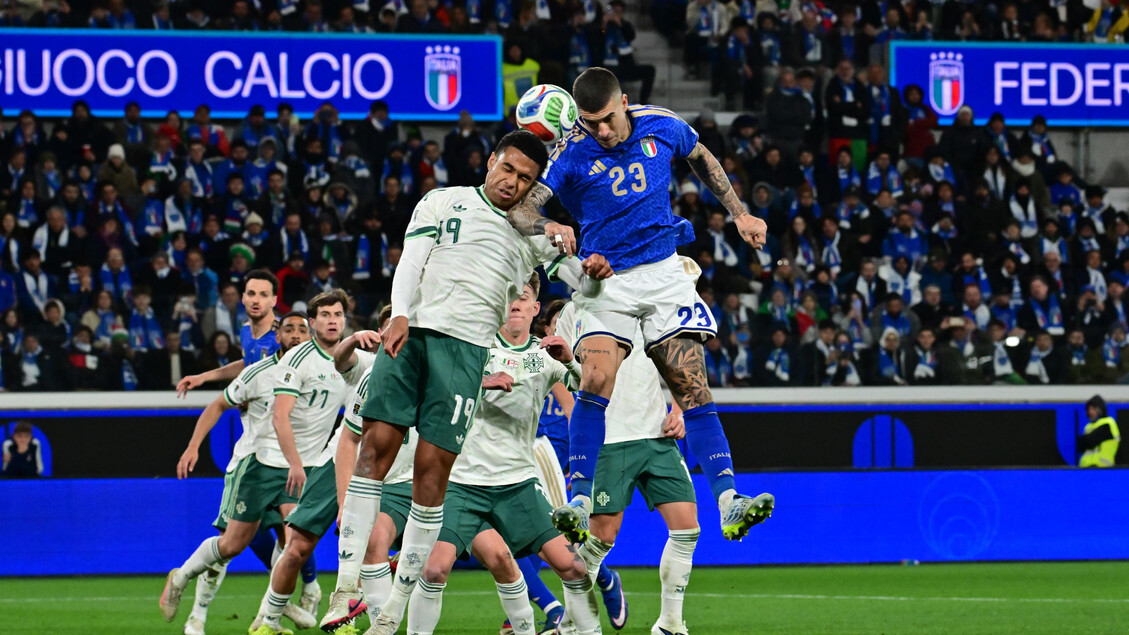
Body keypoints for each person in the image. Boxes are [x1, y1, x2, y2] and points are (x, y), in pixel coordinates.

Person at [323, 131, 612, 635]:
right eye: (508, 169)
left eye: (525, 179)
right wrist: (401, 312)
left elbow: (583, 286)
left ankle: (392, 612)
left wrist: (593, 270)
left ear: (534, 187)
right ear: (490, 162)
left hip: (465, 353)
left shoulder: (535, 235)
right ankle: (346, 587)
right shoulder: (442, 200)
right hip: (412, 335)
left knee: (431, 479)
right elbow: (411, 260)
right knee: (374, 451)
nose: (512, 182)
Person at [502, 68, 774, 544]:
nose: (601, 131)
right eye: (590, 122)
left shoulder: (661, 124)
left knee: (691, 386)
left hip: (664, 273)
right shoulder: (570, 152)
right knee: (595, 380)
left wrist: (740, 213)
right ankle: (580, 501)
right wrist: (548, 225)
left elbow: (701, 156)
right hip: (608, 282)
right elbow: (522, 209)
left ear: (624, 102)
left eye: (607, 119)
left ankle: (729, 500)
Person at [405, 275, 601, 635]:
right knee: (433, 570)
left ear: (535, 308)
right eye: (509, 296)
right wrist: (480, 382)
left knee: (573, 567)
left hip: (519, 485)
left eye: (523, 297)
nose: (515, 303)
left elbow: (588, 389)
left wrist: (571, 361)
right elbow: (434, 390)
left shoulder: (544, 356)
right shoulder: (473, 347)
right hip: (463, 484)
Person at [552, 298, 700, 635]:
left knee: (687, 527)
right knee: (600, 538)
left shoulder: (647, 300)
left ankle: (670, 624)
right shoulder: (574, 312)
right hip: (609, 437)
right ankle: (571, 624)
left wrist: (678, 410)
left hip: (657, 435)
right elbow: (565, 373)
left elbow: (674, 361)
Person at [162, 313, 313, 635]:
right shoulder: (258, 366)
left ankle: (269, 615)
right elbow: (221, 401)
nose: (296, 335)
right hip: (253, 464)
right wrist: (193, 446)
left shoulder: (317, 370)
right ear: (277, 334)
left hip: (292, 468)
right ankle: (189, 598)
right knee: (230, 545)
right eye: (289, 329)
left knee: (295, 542)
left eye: (303, 330)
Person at [251, 290, 379, 635]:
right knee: (297, 547)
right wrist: (354, 340)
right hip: (332, 461)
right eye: (326, 315)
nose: (333, 320)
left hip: (380, 468)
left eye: (338, 315)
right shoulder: (359, 361)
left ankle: (347, 620)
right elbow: (341, 360)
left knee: (371, 546)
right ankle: (268, 621)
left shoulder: (412, 368)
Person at [177, 270, 281, 394]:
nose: (256, 300)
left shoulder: (286, 331)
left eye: (263, 295)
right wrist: (202, 377)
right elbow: (247, 364)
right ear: (244, 298)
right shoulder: (246, 330)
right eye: (251, 294)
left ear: (273, 300)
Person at [1079, 395, 1120, 467]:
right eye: (1089, 409)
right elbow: (1080, 446)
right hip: (1086, 468)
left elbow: (1090, 441)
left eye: (1093, 409)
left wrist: (1084, 439)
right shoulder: (1088, 427)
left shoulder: (1108, 423)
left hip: (1103, 468)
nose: (1090, 412)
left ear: (1100, 409)